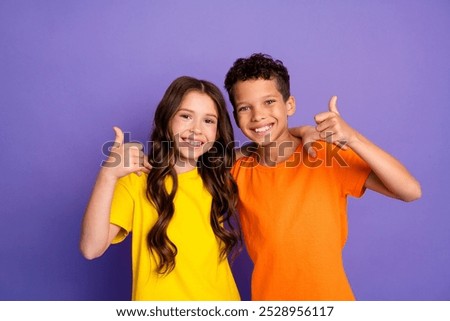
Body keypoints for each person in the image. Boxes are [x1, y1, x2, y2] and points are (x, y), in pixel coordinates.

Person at [224, 53, 422, 300]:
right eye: (245, 108)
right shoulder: (238, 170)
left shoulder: (325, 155)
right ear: (236, 116)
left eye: (269, 102)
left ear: (290, 105)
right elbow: (199, 159)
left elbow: (410, 191)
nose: (258, 115)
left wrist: (352, 138)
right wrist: (299, 130)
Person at [79, 76, 242, 300]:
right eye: (186, 116)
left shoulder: (221, 177)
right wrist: (107, 175)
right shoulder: (136, 180)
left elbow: (270, 148)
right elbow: (91, 248)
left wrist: (303, 132)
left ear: (218, 131)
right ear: (167, 120)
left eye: (209, 121)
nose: (196, 130)